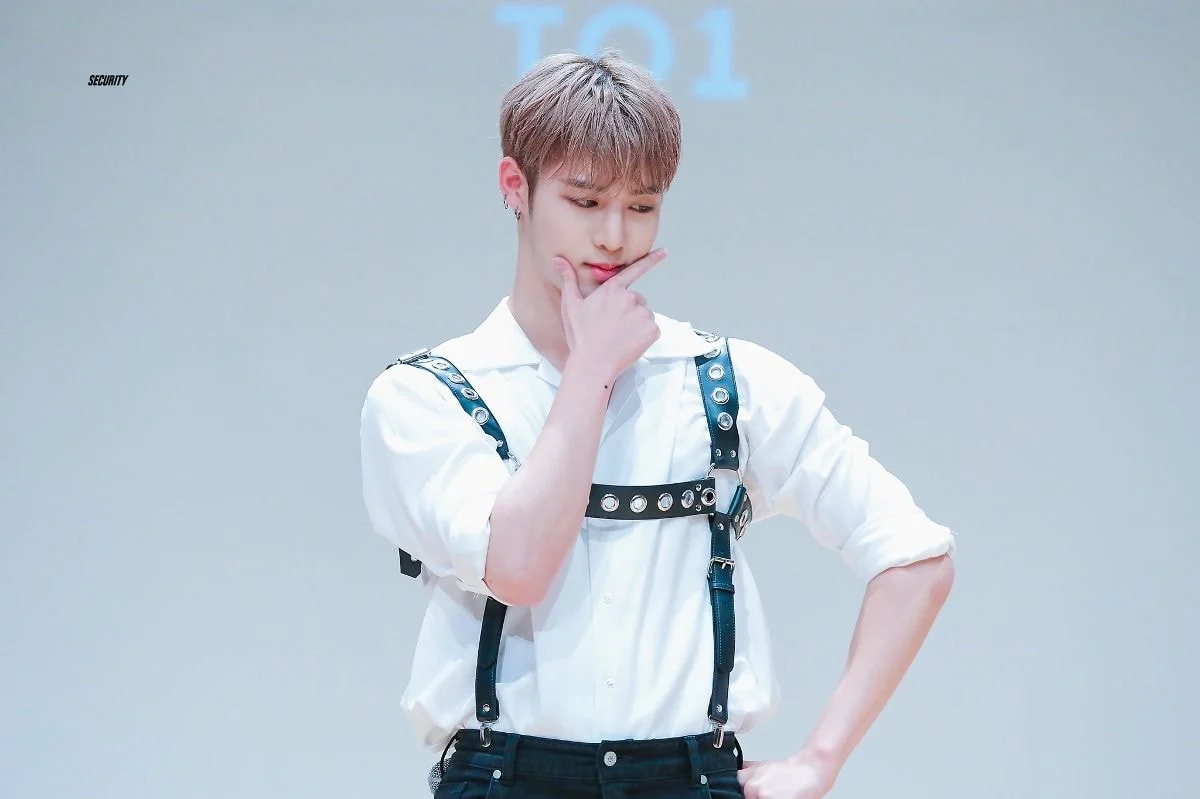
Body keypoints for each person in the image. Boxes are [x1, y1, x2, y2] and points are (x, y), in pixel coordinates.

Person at [359, 50, 956, 799]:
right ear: (516, 186)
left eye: (642, 207)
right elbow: (519, 567)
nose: (615, 236)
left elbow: (916, 558)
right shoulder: (426, 396)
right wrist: (591, 370)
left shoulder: (727, 383)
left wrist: (820, 758)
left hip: (690, 778)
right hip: (505, 777)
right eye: (585, 202)